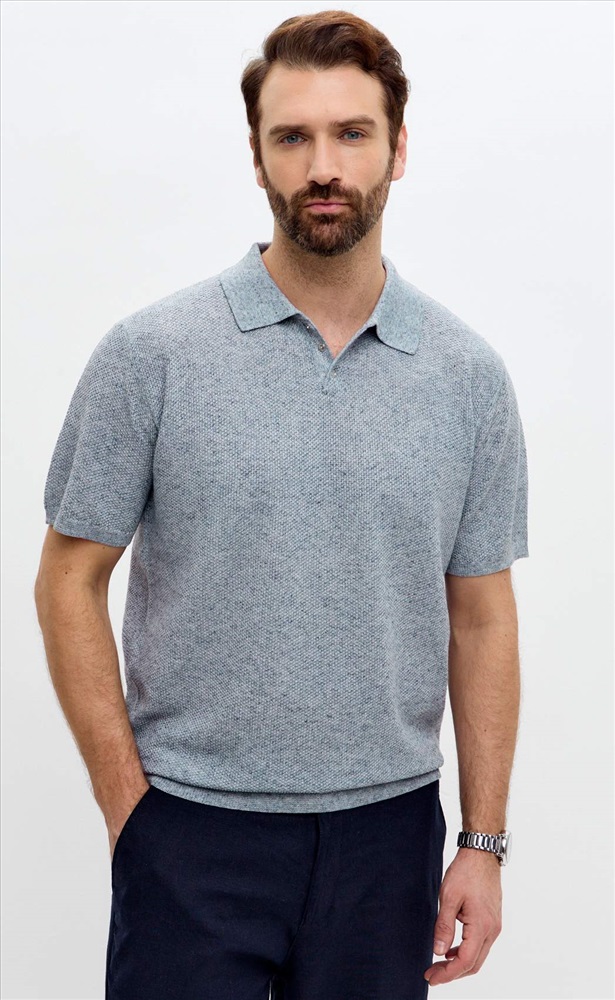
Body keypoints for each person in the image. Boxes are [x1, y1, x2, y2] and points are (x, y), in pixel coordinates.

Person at [34, 9, 529, 1000]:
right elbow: (67, 580)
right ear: (257, 156)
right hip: (191, 831)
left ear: (398, 148)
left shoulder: (466, 377)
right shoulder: (152, 354)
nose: (323, 167)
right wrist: (130, 808)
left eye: (352, 133)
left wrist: (482, 843)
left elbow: (481, 615)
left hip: (387, 839)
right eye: (292, 137)